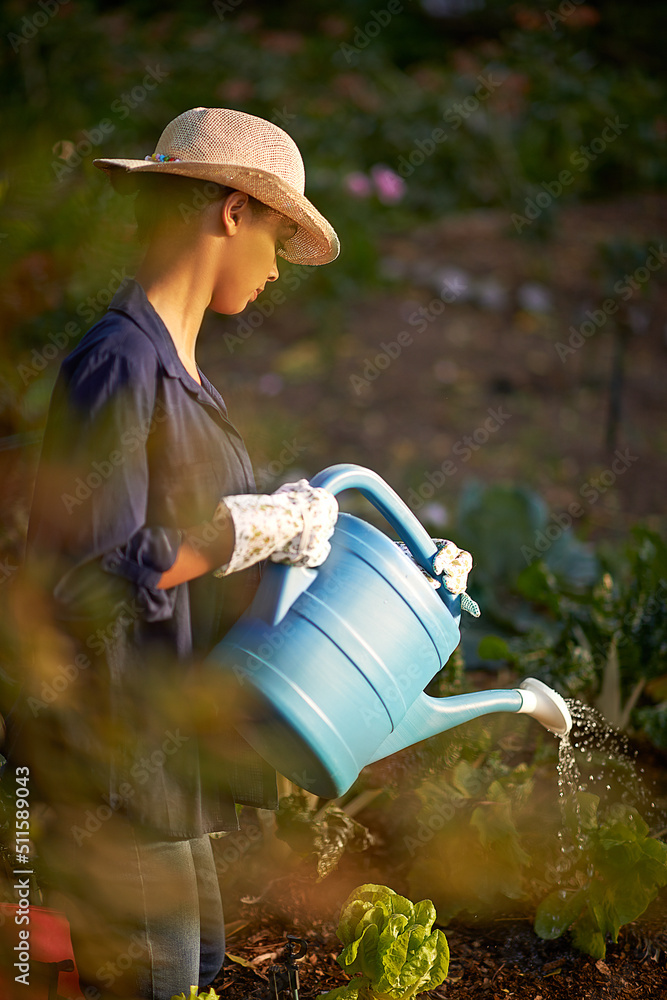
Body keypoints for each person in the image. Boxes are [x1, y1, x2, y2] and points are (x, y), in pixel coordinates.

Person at [7, 107, 341, 1000]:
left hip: (161, 741)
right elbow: (85, 579)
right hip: (108, 752)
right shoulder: (116, 364)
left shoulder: (184, 372)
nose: (276, 267)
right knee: (150, 981)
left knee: (193, 967)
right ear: (231, 210)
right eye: (276, 233)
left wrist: (309, 540)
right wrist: (238, 532)